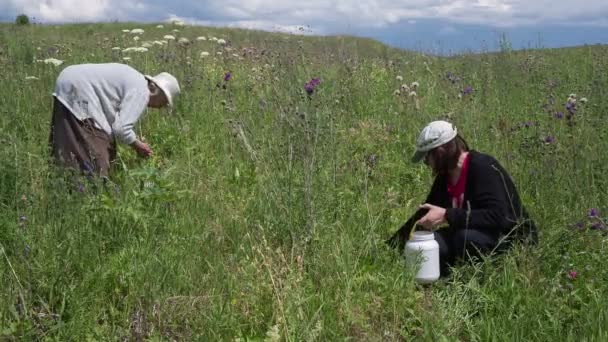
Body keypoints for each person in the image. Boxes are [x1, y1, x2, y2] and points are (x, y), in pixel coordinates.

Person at [387, 120, 537, 276]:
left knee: (464, 238)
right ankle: (442, 281)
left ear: (440, 152)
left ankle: (478, 280)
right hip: (472, 237)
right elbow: (424, 213)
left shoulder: (483, 167)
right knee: (433, 241)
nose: (427, 164)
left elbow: (499, 217)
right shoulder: (445, 177)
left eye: (426, 158)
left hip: (509, 238)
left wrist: (447, 215)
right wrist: (394, 246)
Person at [49, 63, 180, 178]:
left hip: (68, 79)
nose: (161, 107)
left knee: (69, 138)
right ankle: (91, 189)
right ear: (158, 91)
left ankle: (65, 179)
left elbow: (112, 121)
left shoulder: (135, 79)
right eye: (165, 102)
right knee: (98, 151)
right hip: (79, 87)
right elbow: (121, 129)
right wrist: (137, 145)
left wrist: (132, 139)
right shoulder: (142, 91)